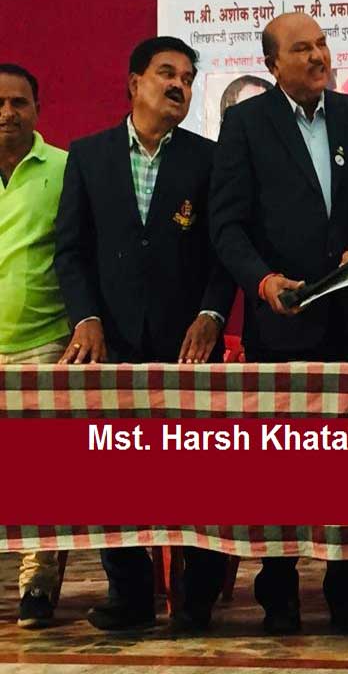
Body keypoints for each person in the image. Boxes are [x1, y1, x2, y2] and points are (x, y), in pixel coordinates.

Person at [209, 12, 348, 634]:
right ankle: (279, 593)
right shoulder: (245, 123)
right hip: (281, 321)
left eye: (321, 44)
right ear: (273, 64)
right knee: (282, 467)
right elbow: (226, 225)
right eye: (302, 49)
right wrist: (263, 281)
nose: (319, 55)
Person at [53, 37, 234, 632]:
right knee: (117, 473)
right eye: (166, 73)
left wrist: (212, 314)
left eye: (187, 77)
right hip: (114, 341)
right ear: (135, 83)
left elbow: (223, 252)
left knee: (200, 473)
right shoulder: (89, 156)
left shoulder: (208, 160)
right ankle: (128, 594)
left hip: (189, 344)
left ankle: (196, 599)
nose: (179, 85)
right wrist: (86, 318)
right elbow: (71, 252)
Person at [0, 64, 69, 629]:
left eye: (19, 102)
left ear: (37, 110)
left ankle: (37, 589)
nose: (7, 113)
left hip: (44, 342)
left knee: (42, 478)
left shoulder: (66, 169)